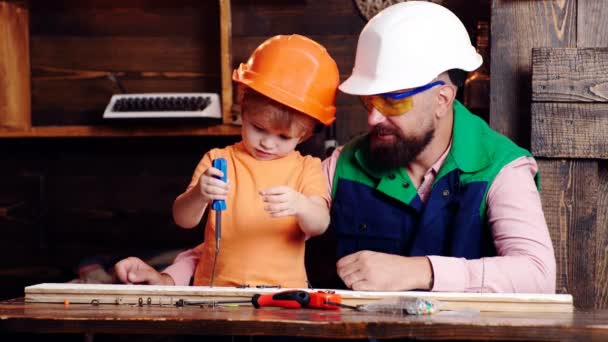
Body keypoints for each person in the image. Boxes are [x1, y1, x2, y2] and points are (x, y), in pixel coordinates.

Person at [117, 1, 556, 294]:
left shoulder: (500, 167)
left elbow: (537, 274)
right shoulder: (343, 165)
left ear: (443, 98)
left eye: (392, 102)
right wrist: (170, 278)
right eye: (368, 102)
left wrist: (418, 270)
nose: (371, 119)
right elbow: (241, 236)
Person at [114, 34, 340, 288]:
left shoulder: (306, 168)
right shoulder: (218, 160)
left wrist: (301, 205)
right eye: (258, 128)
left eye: (283, 137)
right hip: (214, 288)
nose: (267, 143)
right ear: (242, 112)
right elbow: (183, 219)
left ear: (303, 135)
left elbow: (320, 223)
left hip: (283, 294)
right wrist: (200, 193)